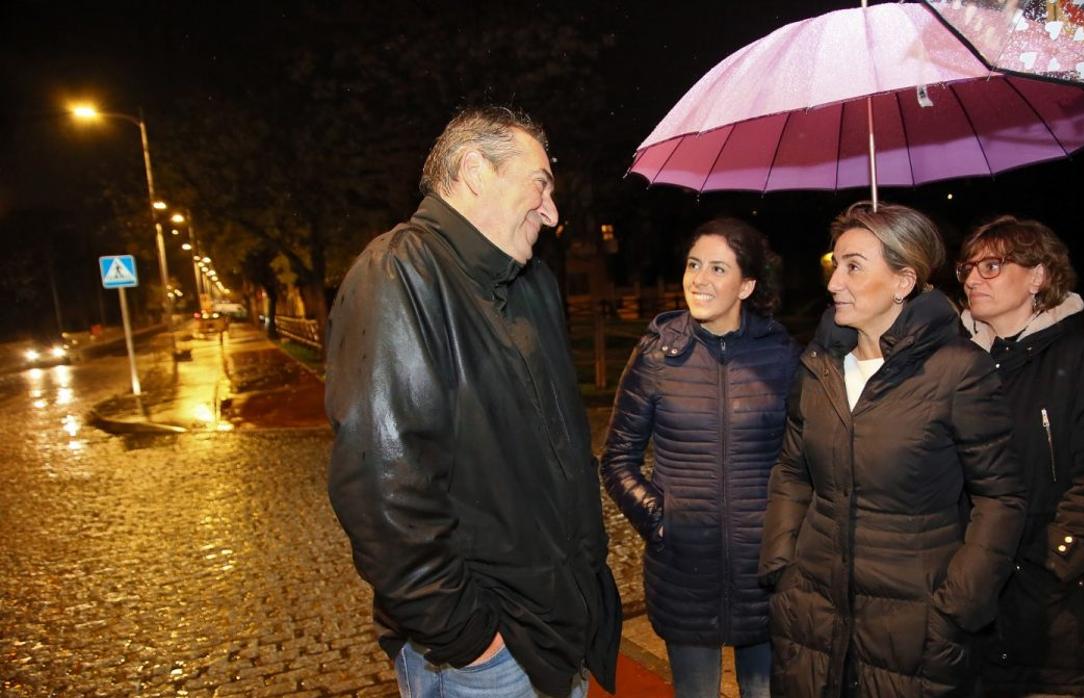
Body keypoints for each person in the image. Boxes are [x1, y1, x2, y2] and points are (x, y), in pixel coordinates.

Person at [324, 106, 621, 698]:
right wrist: (471, 641)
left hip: (561, 631)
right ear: (474, 170)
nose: (552, 210)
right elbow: (385, 495)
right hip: (489, 658)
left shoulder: (531, 281)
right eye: (539, 183)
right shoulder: (399, 273)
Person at [760, 202, 1027, 697]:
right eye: (834, 263)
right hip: (811, 617)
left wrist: (957, 605)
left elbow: (1001, 497)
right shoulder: (819, 365)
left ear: (904, 282)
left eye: (854, 266)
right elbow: (792, 472)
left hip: (915, 633)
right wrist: (781, 566)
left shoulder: (958, 371)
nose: (835, 281)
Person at [601, 218, 800, 698]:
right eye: (694, 265)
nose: (699, 279)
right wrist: (660, 521)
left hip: (764, 573)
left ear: (747, 285)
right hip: (682, 574)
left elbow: (803, 459)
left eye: (717, 268)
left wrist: (786, 530)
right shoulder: (657, 355)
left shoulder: (781, 355)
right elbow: (616, 459)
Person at [957, 216, 1084, 696]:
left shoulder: (1082, 359)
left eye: (992, 265)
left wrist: (1051, 563)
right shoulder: (959, 364)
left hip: (1051, 614)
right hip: (968, 606)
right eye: (968, 268)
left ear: (1037, 276)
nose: (974, 278)